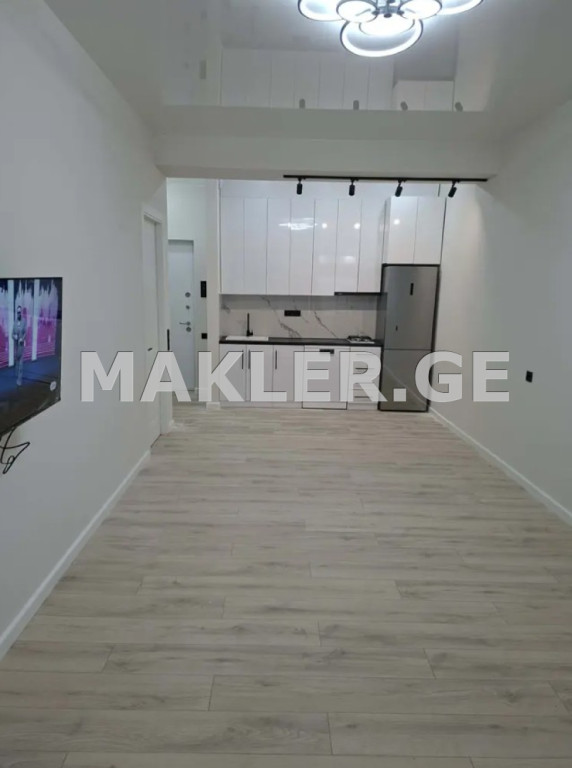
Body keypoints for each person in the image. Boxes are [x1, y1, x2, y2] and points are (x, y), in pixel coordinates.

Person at [12, 305, 27, 386]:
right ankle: (17, 375)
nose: (19, 313)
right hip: (16, 347)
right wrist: (14, 336)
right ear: (16, 313)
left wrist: (22, 338)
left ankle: (19, 379)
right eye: (17, 312)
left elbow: (25, 332)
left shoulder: (24, 321)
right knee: (17, 362)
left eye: (20, 312)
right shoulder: (14, 322)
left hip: (21, 346)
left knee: (21, 363)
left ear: (21, 312)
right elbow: (12, 334)